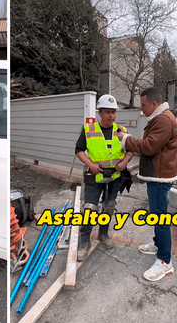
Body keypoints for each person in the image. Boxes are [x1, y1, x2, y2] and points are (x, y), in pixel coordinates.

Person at [117, 87, 177, 281]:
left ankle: (165, 262)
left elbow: (149, 147)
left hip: (160, 178)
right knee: (156, 214)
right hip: (157, 176)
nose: (142, 109)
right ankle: (158, 244)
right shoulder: (161, 118)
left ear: (154, 103)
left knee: (160, 218)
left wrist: (126, 139)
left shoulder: (163, 120)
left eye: (143, 105)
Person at [74, 94, 133, 261]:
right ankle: (85, 241)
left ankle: (103, 234)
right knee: (90, 208)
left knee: (108, 207)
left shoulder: (121, 131)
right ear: (99, 112)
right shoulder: (88, 130)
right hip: (94, 177)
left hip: (114, 177)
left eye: (113, 112)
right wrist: (90, 165)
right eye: (107, 112)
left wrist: (125, 162)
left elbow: (130, 150)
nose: (111, 115)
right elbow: (78, 150)